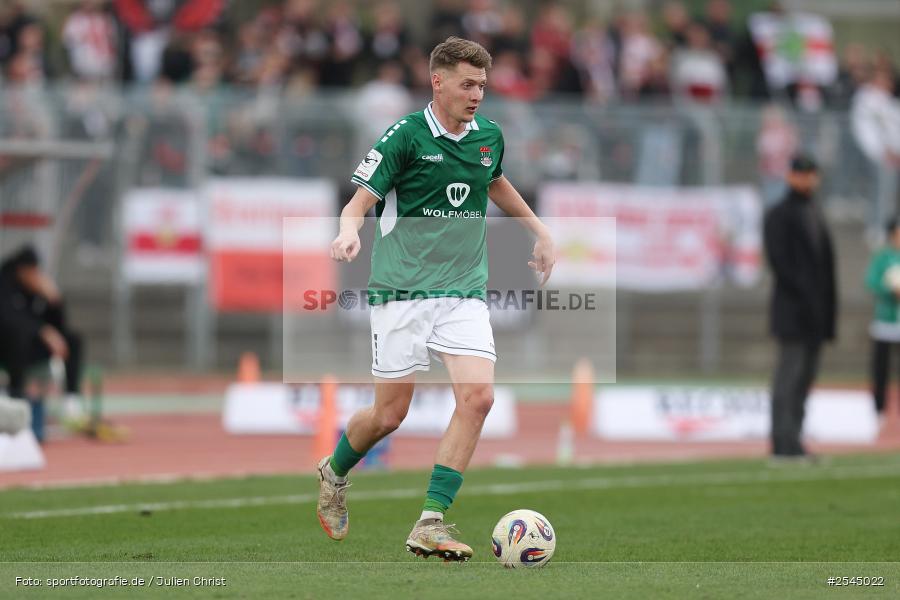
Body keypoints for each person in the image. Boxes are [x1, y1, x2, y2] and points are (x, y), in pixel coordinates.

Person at [317, 36, 555, 561]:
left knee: (479, 398)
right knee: (388, 415)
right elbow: (359, 201)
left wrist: (541, 230)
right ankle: (334, 470)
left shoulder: (488, 135)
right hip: (402, 290)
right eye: (467, 84)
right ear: (438, 81)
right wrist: (348, 231)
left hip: (464, 290)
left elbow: (494, 182)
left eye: (483, 86)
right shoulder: (404, 136)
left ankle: (431, 520)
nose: (476, 96)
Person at [763, 154, 837, 461]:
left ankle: (795, 439)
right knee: (789, 377)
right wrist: (806, 298)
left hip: (816, 314)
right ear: (790, 176)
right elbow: (781, 263)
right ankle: (782, 442)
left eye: (811, 173)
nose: (806, 179)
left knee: (805, 378)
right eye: (801, 173)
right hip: (793, 311)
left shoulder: (815, 211)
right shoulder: (779, 213)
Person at [0, 246, 84, 406]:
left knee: (73, 339)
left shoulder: (35, 289)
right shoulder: (4, 284)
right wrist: (43, 331)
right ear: (22, 270)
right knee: (17, 337)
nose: (36, 275)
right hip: (7, 348)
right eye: (32, 271)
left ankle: (71, 400)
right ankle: (15, 396)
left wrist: (55, 301)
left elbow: (58, 325)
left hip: (32, 346)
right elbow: (8, 319)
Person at [865, 217, 900, 431]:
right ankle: (878, 411)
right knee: (881, 370)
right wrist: (890, 290)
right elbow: (872, 282)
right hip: (885, 324)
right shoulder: (882, 258)